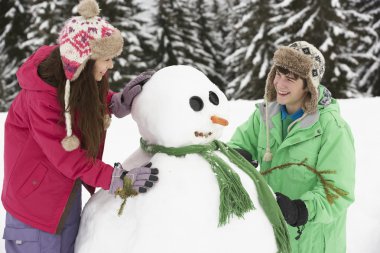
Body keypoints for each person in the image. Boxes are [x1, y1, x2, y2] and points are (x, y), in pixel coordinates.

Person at [1, 0, 158, 252]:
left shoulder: (72, 75)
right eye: (106, 59)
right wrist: (116, 178)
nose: (111, 65)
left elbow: (80, 98)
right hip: (35, 212)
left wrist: (113, 102)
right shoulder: (41, 98)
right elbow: (67, 156)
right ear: (84, 63)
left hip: (63, 198)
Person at [229, 41, 355, 253]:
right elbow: (238, 145)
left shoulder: (332, 128)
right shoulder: (266, 115)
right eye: (278, 74)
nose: (280, 84)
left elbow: (338, 191)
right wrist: (239, 156)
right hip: (274, 237)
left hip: (314, 243)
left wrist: (301, 209)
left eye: (291, 78)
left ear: (309, 85)